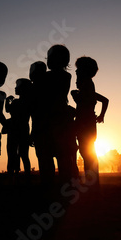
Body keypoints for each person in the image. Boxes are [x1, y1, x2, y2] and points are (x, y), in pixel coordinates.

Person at [36, 45, 73, 184]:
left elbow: (41, 98)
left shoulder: (46, 77)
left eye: (49, 57)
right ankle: (65, 187)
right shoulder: (67, 76)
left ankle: (49, 187)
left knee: (46, 157)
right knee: (63, 156)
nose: (47, 60)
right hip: (62, 119)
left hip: (49, 120)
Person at [71, 56, 109, 185]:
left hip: (85, 122)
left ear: (84, 71)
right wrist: (101, 116)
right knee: (86, 151)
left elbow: (85, 103)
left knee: (87, 152)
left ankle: (92, 180)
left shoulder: (87, 85)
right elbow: (105, 100)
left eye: (78, 70)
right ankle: (92, 180)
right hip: (87, 121)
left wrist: (75, 96)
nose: (75, 72)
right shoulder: (87, 86)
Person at [5, 78, 32, 178]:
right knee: (23, 154)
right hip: (23, 129)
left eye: (17, 86)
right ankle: (26, 176)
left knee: (13, 153)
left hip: (14, 130)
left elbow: (8, 110)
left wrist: (7, 101)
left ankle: (12, 175)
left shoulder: (18, 102)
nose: (15, 88)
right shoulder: (28, 102)